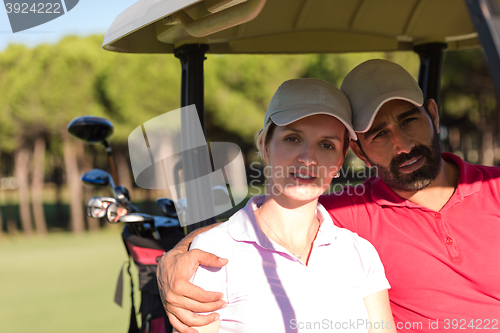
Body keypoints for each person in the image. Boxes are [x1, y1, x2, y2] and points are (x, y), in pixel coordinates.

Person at [157, 60, 500, 333]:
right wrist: (174, 257)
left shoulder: (494, 187)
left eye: (409, 120)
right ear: (359, 152)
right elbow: (269, 221)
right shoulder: (353, 211)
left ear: (434, 116)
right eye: (380, 134)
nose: (403, 145)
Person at [186, 78, 395, 333]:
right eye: (293, 138)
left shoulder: (360, 254)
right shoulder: (215, 250)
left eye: (326, 145)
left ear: (340, 162)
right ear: (265, 145)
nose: (308, 158)